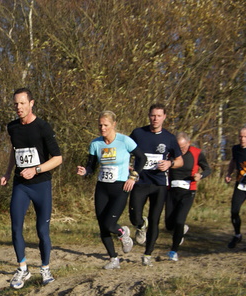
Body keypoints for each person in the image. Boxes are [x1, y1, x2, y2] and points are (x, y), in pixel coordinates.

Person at [0, 88, 62, 289]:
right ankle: (22, 269)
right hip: (21, 185)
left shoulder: (43, 127)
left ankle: (45, 268)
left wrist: (36, 170)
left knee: (42, 230)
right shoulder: (13, 128)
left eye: (22, 103)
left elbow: (58, 158)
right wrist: (8, 173)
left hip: (41, 184)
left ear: (31, 103)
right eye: (16, 104)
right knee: (16, 226)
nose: (19, 107)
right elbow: (14, 151)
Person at [76, 111, 147, 269]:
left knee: (109, 223)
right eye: (100, 125)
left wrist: (133, 176)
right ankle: (113, 258)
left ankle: (122, 232)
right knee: (102, 225)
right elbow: (91, 167)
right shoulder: (95, 144)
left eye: (106, 125)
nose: (102, 128)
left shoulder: (124, 141)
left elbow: (142, 158)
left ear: (114, 125)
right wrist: (85, 171)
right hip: (102, 187)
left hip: (120, 187)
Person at [128, 103, 183, 266]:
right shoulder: (138, 133)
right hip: (140, 181)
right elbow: (126, 150)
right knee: (134, 215)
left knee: (155, 219)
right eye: (153, 115)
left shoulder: (170, 138)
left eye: (159, 116)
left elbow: (179, 160)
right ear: (148, 116)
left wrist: (169, 164)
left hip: (159, 184)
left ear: (164, 117)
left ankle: (148, 254)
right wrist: (128, 165)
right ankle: (140, 224)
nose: (155, 119)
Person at [164, 132, 212, 261]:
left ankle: (173, 251)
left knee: (179, 221)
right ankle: (180, 231)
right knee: (169, 225)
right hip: (171, 191)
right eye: (178, 147)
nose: (181, 150)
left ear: (189, 144)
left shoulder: (196, 153)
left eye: (183, 147)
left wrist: (200, 176)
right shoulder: (171, 152)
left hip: (188, 192)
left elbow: (208, 169)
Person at [225, 126, 246, 249]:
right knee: (234, 210)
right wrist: (229, 173)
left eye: (245, 137)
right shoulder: (236, 149)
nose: (242, 139)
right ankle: (237, 235)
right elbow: (233, 161)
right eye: (240, 136)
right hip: (241, 184)